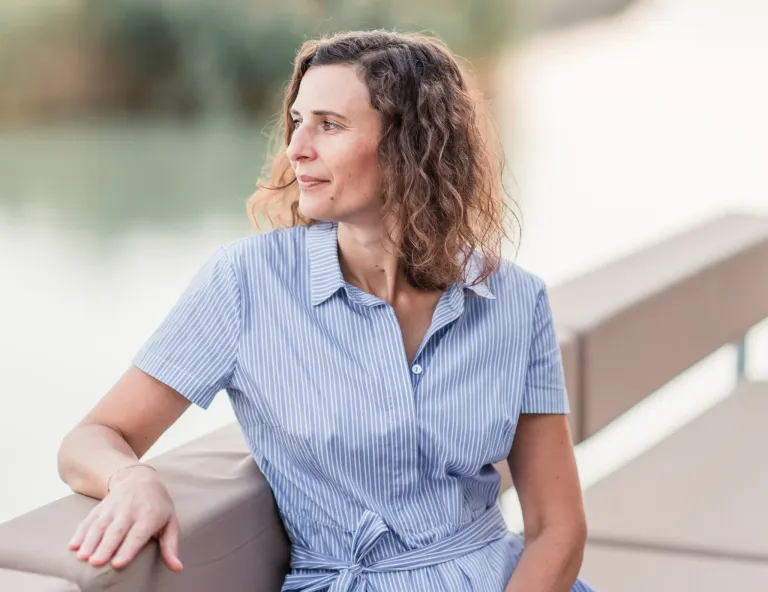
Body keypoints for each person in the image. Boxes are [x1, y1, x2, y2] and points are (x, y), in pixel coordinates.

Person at [57, 30, 596, 592]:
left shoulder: (514, 299)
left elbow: (557, 528)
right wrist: (131, 479)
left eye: (329, 125)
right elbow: (92, 436)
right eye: (297, 121)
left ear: (411, 145)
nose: (296, 148)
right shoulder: (247, 283)